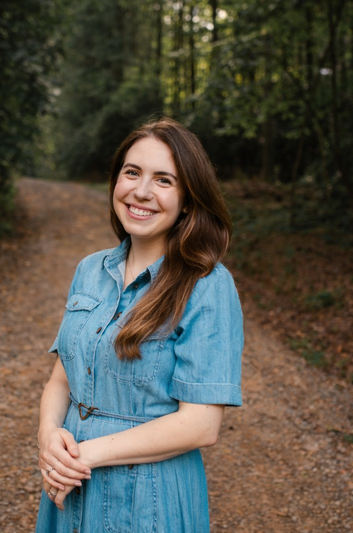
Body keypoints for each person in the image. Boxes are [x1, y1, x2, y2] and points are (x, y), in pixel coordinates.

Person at [35, 117, 244, 533]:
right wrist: (47, 437)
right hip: (70, 484)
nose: (141, 191)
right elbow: (63, 379)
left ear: (187, 199)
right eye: (132, 173)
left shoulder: (207, 285)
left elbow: (200, 425)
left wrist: (84, 455)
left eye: (164, 180)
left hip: (148, 497)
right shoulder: (90, 269)